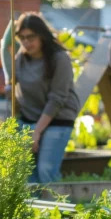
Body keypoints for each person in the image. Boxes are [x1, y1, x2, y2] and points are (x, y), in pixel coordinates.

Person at [1, 12, 80, 183]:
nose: (26, 42)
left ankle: (56, 209)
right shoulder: (20, 60)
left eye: (31, 37)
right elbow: (4, 47)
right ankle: (33, 209)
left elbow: (57, 99)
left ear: (42, 35)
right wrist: (13, 21)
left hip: (57, 120)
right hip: (30, 119)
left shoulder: (59, 59)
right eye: (22, 38)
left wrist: (36, 132)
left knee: (46, 170)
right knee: (26, 173)